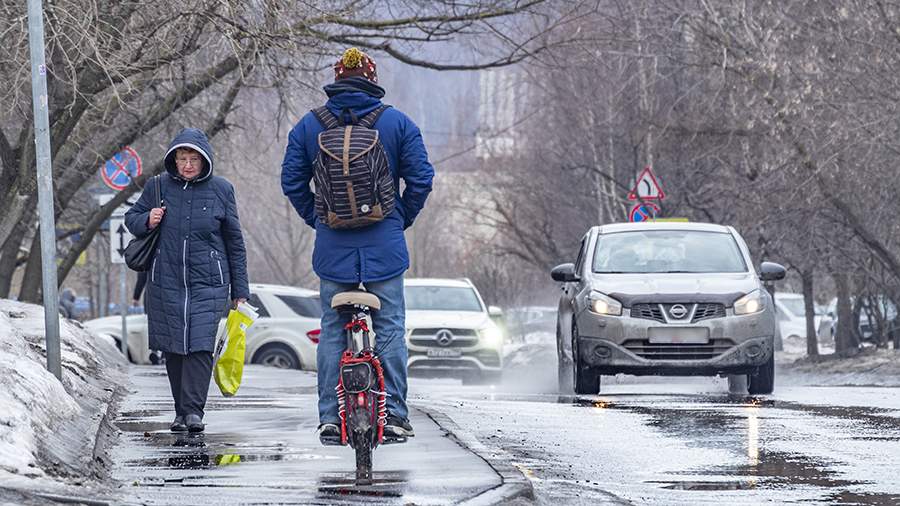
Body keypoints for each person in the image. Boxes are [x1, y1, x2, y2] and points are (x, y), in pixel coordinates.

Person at [281, 48, 434, 442]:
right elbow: (421, 180)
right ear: (371, 78)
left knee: (332, 331)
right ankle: (396, 415)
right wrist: (400, 218)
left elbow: (291, 181)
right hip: (385, 246)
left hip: (333, 249)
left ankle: (330, 418)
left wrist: (318, 218)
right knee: (390, 329)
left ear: (337, 80)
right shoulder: (398, 123)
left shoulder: (308, 127)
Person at [125, 128, 249, 433]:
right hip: (166, 281)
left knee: (199, 346)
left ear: (205, 160)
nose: (188, 164)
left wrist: (240, 291)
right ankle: (180, 411)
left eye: (194, 158)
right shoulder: (157, 187)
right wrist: (147, 219)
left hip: (209, 281)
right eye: (183, 158)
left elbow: (235, 242)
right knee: (173, 347)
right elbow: (132, 220)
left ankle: (194, 411)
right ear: (174, 159)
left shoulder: (222, 189)